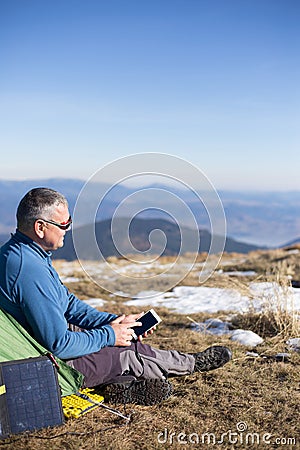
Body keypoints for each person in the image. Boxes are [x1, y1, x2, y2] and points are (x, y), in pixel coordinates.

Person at [0, 188, 231, 405]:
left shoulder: (26, 254)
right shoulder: (29, 269)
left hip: (45, 341)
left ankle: (121, 385)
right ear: (40, 227)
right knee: (126, 352)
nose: (68, 229)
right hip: (52, 366)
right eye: (64, 224)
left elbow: (68, 304)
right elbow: (59, 345)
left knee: (118, 338)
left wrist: (113, 322)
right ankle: (190, 365)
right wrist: (110, 335)